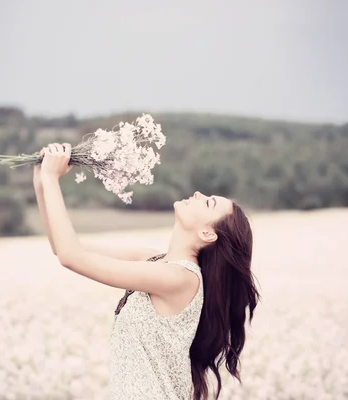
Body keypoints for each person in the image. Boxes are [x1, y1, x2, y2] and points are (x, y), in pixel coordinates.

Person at [34, 143, 260, 400]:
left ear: (207, 233)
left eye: (208, 203)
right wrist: (41, 181)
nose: (197, 193)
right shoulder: (152, 260)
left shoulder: (182, 279)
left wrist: (52, 178)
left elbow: (70, 257)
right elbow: (61, 246)